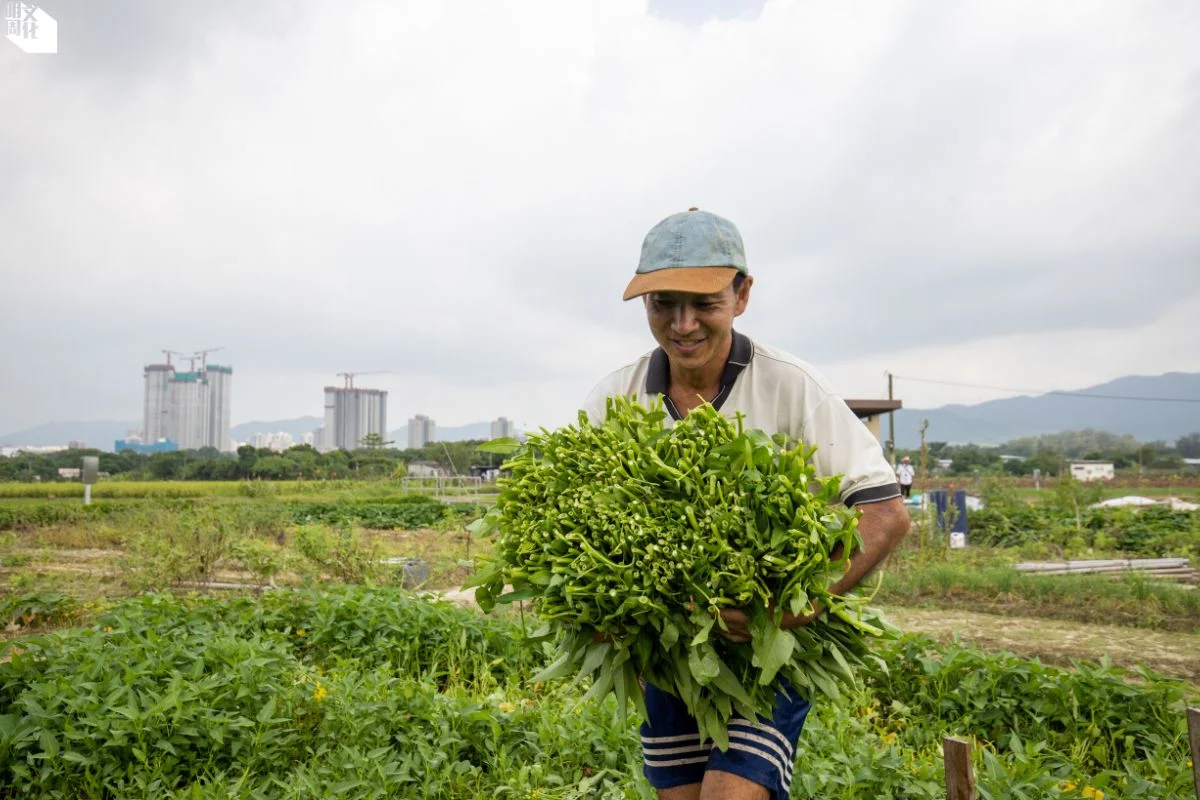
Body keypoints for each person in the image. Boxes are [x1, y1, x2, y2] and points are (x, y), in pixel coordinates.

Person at [583, 208, 911, 800]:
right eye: (662, 304)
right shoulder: (615, 396)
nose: (682, 325)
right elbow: (574, 518)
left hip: (766, 652)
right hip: (669, 652)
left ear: (742, 295)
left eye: (703, 303)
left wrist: (797, 608)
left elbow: (885, 513)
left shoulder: (790, 386)